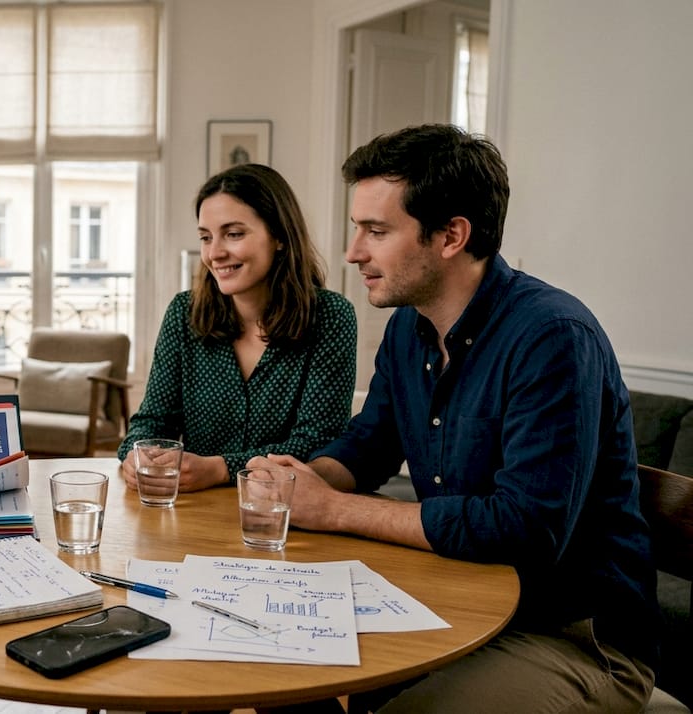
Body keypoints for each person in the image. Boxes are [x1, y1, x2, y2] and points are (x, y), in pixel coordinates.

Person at [258, 124, 658, 712]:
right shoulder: (409, 326)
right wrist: (298, 484)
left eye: (376, 231)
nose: (353, 252)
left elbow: (524, 529)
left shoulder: (552, 337)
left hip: (573, 635)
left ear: (451, 236)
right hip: (458, 598)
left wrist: (335, 510)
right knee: (276, 660)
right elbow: (369, 443)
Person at [119, 163, 357, 492]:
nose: (214, 253)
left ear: (279, 236)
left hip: (284, 509)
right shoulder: (184, 313)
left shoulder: (331, 317)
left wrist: (220, 469)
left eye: (233, 234)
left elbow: (318, 444)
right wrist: (138, 454)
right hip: (193, 506)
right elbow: (154, 420)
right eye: (206, 237)